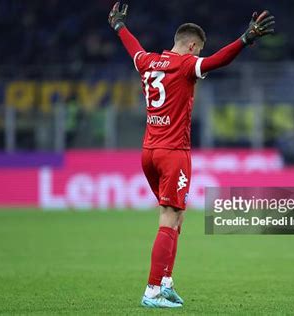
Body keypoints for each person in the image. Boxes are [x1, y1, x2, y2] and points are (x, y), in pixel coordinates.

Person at [108, 2, 275, 308]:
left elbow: (133, 49)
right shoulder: (185, 65)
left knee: (177, 214)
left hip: (149, 152)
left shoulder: (148, 62)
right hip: (173, 153)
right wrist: (245, 39)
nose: (198, 57)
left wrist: (119, 26)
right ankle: (152, 291)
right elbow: (217, 61)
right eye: (197, 51)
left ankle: (167, 281)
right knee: (168, 219)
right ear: (192, 45)